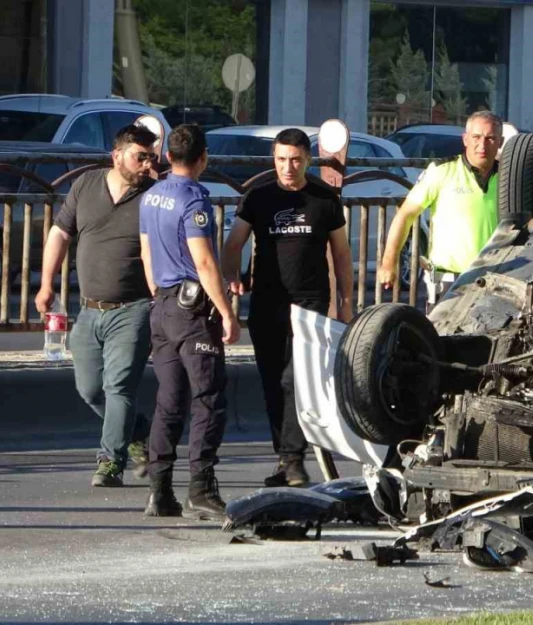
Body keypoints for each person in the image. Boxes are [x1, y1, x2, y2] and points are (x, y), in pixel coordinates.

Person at [221, 128, 353, 488]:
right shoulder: (258, 197)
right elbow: (234, 243)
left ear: (308, 160)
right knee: (272, 382)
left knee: (296, 380)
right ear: (274, 160)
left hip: (310, 301)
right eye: (281, 159)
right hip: (267, 301)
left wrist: (345, 302)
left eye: (295, 160)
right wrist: (231, 276)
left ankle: (294, 460)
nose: (288, 167)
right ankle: (285, 457)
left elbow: (341, 255)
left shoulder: (324, 198)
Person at [35, 124, 158, 488]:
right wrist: (45, 285)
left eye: (151, 157)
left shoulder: (152, 196)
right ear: (117, 155)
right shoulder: (86, 186)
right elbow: (60, 233)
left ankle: (109, 461)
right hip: (88, 310)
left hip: (135, 308)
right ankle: (138, 431)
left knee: (119, 386)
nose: (147, 165)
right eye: (140, 157)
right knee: (90, 389)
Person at [139, 123, 240, 519]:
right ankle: (200, 488)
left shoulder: (151, 196)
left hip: (162, 306)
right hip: (192, 310)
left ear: (167, 157)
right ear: (204, 159)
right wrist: (227, 312)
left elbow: (147, 255)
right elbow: (203, 261)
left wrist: (159, 298)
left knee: (169, 401)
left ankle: (160, 491)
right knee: (208, 398)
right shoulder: (194, 200)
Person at [378, 111, 503, 303]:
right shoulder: (442, 171)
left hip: (496, 279)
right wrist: (389, 261)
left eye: (490, 138)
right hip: (448, 282)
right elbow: (405, 215)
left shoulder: (508, 177)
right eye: (476, 137)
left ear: (500, 142)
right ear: (465, 139)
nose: (482, 145)